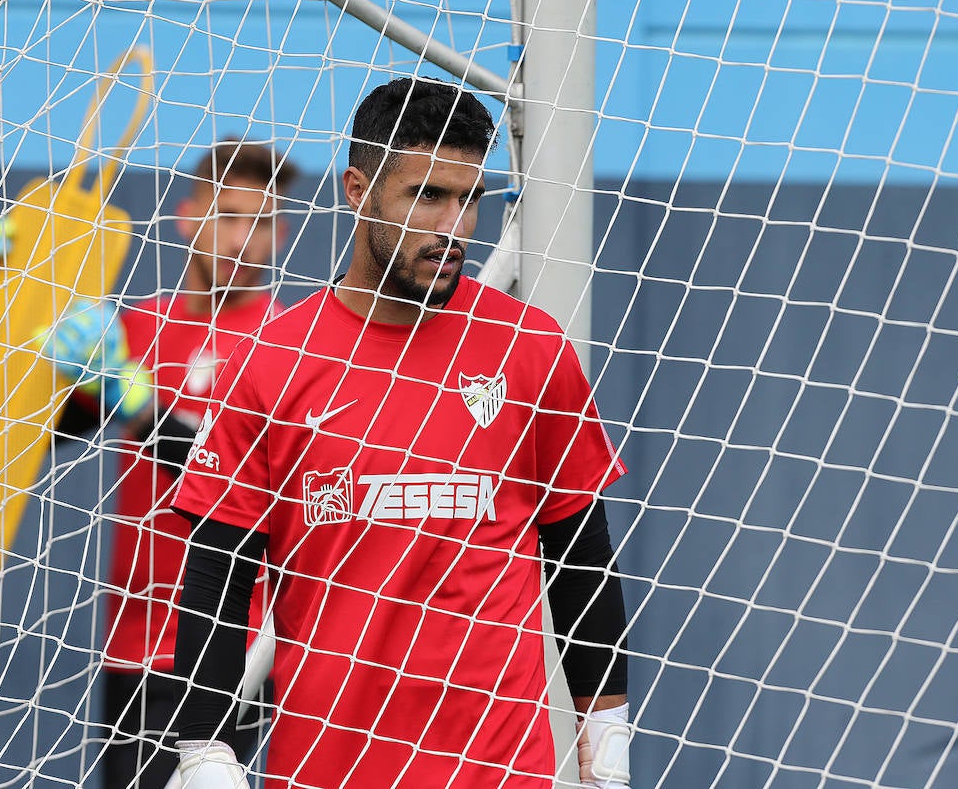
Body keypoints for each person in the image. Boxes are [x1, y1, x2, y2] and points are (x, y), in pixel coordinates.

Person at [168, 78, 633, 789]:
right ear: (358, 190)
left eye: (468, 198)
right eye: (427, 197)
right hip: (328, 766)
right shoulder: (271, 362)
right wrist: (204, 746)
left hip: (502, 769)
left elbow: (580, 552)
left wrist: (605, 729)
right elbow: (219, 568)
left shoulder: (530, 348)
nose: (453, 227)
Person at [36, 137, 299, 788]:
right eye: (228, 216)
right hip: (133, 639)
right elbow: (43, 438)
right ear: (189, 217)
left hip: (236, 647)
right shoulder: (136, 329)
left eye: (260, 223)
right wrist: (8, 319)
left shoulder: (289, 344)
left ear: (280, 233)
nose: (242, 239)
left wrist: (142, 408)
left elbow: (237, 479)